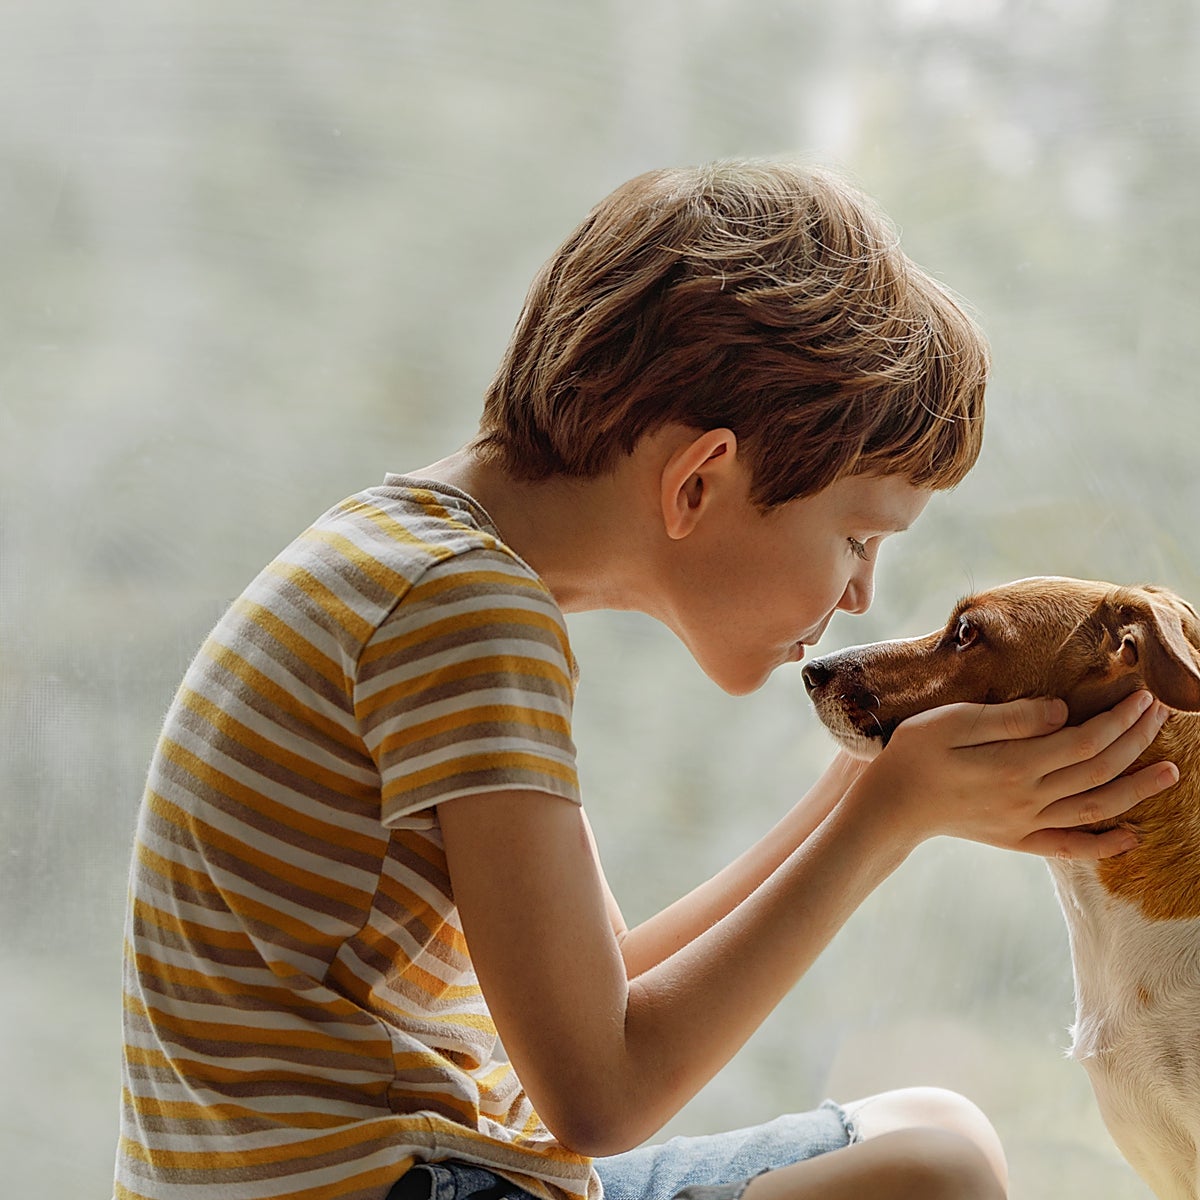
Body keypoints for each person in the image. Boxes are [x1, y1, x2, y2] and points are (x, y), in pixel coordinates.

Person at [114, 159, 1175, 1200]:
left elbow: (605, 988)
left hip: (410, 1166)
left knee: (932, 1133)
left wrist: (864, 787)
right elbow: (598, 1096)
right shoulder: (467, 620)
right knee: (934, 1173)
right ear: (700, 480)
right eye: (857, 539)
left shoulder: (414, 563)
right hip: (402, 1184)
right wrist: (882, 824)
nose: (859, 597)